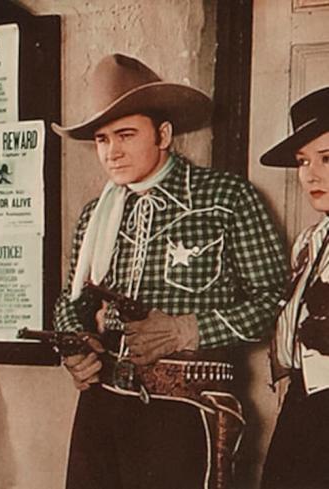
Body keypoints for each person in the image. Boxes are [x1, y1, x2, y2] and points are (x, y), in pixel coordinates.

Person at [51, 53, 287, 488]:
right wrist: (74, 346)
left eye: (125, 135)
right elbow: (72, 300)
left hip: (187, 406)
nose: (112, 152)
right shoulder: (95, 216)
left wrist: (187, 330)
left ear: (163, 134)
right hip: (103, 405)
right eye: (102, 139)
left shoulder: (226, 199)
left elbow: (274, 299)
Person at [260, 86, 329, 489]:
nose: (310, 174)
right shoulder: (309, 242)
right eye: (303, 161)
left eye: (327, 158)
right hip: (304, 404)